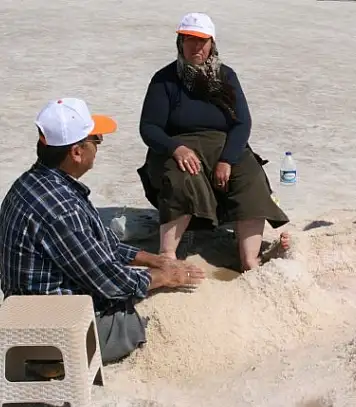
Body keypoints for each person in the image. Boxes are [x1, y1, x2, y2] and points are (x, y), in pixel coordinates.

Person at [0, 98, 206, 365]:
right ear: (77, 152)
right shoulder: (62, 210)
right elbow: (111, 283)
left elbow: (104, 244)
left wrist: (156, 260)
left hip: (30, 311)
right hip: (53, 332)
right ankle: (51, 364)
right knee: (157, 317)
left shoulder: (32, 182)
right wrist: (168, 276)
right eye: (96, 140)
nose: (98, 147)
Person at [137, 12, 289, 272]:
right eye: (190, 40)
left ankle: (249, 259)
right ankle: (167, 255)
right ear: (180, 43)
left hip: (222, 145)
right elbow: (149, 128)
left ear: (212, 44)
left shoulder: (226, 76)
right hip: (178, 147)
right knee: (182, 178)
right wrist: (176, 148)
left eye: (202, 41)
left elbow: (242, 123)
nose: (196, 47)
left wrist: (227, 159)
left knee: (250, 177)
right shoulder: (164, 80)